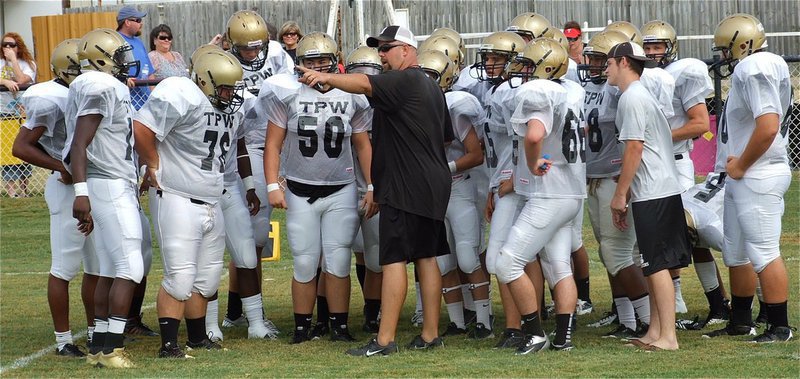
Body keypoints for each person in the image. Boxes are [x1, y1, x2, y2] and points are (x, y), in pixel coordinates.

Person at [296, 25, 452, 356]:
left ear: (408, 50)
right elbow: (445, 138)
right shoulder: (430, 86)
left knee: (394, 259)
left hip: (407, 184)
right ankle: (429, 334)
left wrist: (325, 78)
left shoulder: (405, 79)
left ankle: (384, 340)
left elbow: (364, 83)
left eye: (387, 48)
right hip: (432, 181)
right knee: (426, 257)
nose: (381, 54)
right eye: (378, 49)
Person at [263, 32, 376, 344]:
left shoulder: (352, 95)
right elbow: (272, 146)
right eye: (309, 61)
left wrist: (371, 185)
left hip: (340, 186)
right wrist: (273, 184)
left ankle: (339, 327)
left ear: (334, 61)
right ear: (298, 63)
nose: (315, 66)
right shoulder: (286, 93)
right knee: (304, 260)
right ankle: (301, 327)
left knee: (338, 260)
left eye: (321, 60)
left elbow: (363, 145)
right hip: (300, 188)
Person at [134, 48, 246, 358]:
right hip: (177, 197)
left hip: (212, 199)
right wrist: (153, 164)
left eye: (234, 88)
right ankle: (169, 345)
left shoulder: (230, 109)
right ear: (206, 81)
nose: (231, 94)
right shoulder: (181, 92)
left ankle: (197, 338)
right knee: (180, 278)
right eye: (226, 87)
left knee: (207, 279)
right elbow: (141, 129)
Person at [703, 13, 793, 343]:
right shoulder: (760, 66)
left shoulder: (755, 67)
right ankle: (741, 321)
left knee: (763, 251)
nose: (724, 57)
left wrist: (740, 165)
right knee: (736, 252)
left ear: (743, 44)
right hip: (746, 172)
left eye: (726, 50)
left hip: (757, 172)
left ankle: (779, 326)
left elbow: (768, 126)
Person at [11, 38, 98, 358]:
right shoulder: (50, 97)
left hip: (89, 185)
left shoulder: (80, 91)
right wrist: (62, 166)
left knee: (96, 265)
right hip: (65, 190)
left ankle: (94, 332)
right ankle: (63, 341)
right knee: (65, 266)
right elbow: (20, 147)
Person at [63, 28, 144, 368]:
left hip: (105, 181)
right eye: (119, 57)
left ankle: (98, 346)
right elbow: (80, 143)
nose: (125, 63)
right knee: (131, 266)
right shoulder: (102, 85)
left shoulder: (88, 84)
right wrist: (81, 193)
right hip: (107, 182)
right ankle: (113, 349)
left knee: (109, 267)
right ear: (101, 59)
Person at [606, 41, 690, 351]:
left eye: (609, 63)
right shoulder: (639, 95)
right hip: (658, 189)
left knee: (657, 264)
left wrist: (620, 194)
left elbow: (635, 148)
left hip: (654, 191)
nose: (605, 69)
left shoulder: (632, 97)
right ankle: (655, 331)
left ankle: (668, 336)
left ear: (624, 62)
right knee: (652, 264)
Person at [642, 20, 726, 326]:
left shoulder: (684, 71)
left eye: (657, 46)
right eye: (647, 46)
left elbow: (700, 124)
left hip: (675, 163)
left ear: (671, 48)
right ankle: (717, 305)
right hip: (655, 163)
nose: (651, 52)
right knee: (688, 238)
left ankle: (693, 302)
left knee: (688, 233)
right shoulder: (646, 74)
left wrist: (656, 137)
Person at [221, 11, 294, 332]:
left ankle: (238, 310)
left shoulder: (277, 55)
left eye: (257, 47)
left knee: (257, 236)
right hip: (248, 148)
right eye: (246, 49)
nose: (253, 54)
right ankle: (243, 310)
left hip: (283, 144)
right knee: (252, 235)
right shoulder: (224, 63)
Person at [578, 29, 652, 338]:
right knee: (609, 251)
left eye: (600, 59)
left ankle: (649, 320)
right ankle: (627, 320)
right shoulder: (587, 87)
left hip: (611, 176)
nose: (594, 65)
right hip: (593, 178)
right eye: (592, 59)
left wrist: (623, 183)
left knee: (619, 253)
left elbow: (631, 140)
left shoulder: (620, 91)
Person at [418, 49, 489, 339]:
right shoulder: (415, 105)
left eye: (429, 76)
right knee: (442, 260)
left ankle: (484, 321)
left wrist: (441, 167)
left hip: (458, 185)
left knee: (467, 257)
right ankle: (457, 322)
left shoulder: (456, 106)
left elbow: (476, 155)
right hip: (432, 192)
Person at [1, 32, 36, 197]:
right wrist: (4, 81)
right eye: (5, 44)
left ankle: (24, 190)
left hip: (22, 113)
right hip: (4, 112)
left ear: (18, 46)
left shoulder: (28, 64)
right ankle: (11, 191)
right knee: (7, 151)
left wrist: (13, 60)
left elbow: (22, 79)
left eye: (12, 45)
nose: (8, 48)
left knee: (24, 149)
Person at [116, 5, 154, 110]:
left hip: (145, 104)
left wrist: (153, 98)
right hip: (126, 105)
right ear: (127, 22)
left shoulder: (139, 42)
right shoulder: (115, 41)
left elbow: (150, 73)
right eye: (138, 20)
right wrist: (123, 80)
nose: (141, 23)